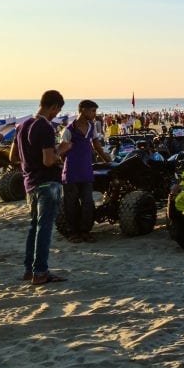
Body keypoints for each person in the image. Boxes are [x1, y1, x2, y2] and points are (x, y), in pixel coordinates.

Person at [11, 90, 71, 285]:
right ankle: (41, 272)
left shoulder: (22, 126)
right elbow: (48, 161)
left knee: (34, 227)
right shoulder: (45, 127)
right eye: (57, 110)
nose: (57, 114)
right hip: (47, 182)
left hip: (30, 182)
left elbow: (13, 157)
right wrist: (62, 149)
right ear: (53, 107)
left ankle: (30, 270)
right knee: (44, 228)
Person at [60, 100, 111, 243]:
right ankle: (73, 232)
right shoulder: (69, 129)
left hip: (86, 170)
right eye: (92, 111)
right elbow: (62, 151)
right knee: (71, 203)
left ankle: (85, 230)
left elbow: (97, 146)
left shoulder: (91, 127)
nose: (95, 114)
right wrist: (68, 163)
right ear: (82, 110)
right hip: (71, 171)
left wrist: (107, 161)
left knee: (88, 202)